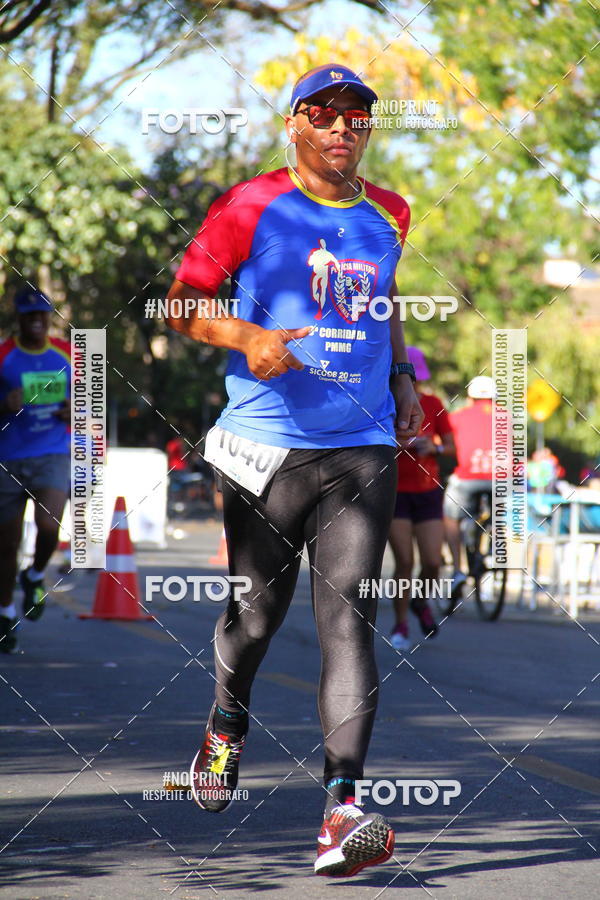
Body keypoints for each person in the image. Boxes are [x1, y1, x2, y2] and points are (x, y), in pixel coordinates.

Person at [166, 63, 423, 878]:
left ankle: (341, 810)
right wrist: (247, 339)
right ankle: (225, 722)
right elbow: (181, 302)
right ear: (295, 126)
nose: (343, 128)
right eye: (324, 114)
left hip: (362, 446)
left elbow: (386, 296)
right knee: (255, 618)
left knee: (348, 619)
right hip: (267, 447)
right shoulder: (251, 204)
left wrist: (408, 380)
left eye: (356, 117)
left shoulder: (391, 214)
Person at [0, 289, 71, 653]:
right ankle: (6, 613)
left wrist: (75, 410)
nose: (37, 321)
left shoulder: (69, 353)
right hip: (8, 459)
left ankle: (35, 575)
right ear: (20, 319)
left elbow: (92, 403)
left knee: (48, 525)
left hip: (52, 454)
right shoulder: (4, 356)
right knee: (6, 544)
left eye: (43, 314)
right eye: (30, 316)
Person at [388, 347, 455, 650]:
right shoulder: (384, 402)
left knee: (432, 561)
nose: (411, 384)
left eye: (415, 378)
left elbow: (454, 450)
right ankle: (400, 624)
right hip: (395, 490)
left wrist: (434, 448)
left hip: (428, 490)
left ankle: (421, 601)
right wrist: (399, 442)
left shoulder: (433, 403)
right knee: (405, 561)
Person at [443, 375, 495, 591]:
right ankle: (493, 552)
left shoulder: (457, 417)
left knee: (450, 517)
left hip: (467, 478)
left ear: (470, 397)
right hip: (502, 480)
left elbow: (445, 445)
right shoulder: (509, 418)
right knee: (499, 513)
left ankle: (457, 569)